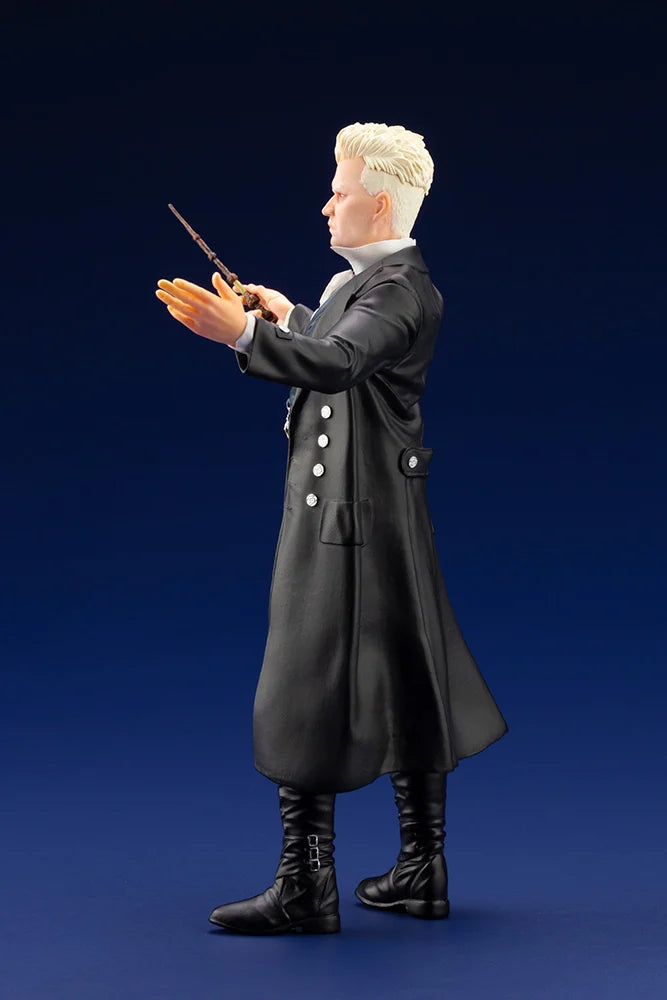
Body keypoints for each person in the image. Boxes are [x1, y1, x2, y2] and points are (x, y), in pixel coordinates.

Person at [156, 122, 508, 935]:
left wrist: (243, 333)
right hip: (375, 511)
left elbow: (344, 364)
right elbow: (340, 344)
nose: (326, 205)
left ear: (378, 203)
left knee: (303, 683)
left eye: (338, 192)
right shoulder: (375, 284)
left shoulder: (397, 290)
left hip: (344, 520)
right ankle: (420, 868)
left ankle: (304, 885)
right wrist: (289, 315)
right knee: (408, 673)